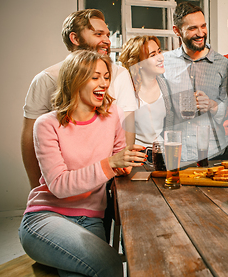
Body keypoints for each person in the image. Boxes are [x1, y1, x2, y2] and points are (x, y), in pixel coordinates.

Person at [19, 50, 147, 276]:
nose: (104, 83)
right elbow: (58, 185)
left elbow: (117, 160)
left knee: (87, 271)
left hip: (90, 219)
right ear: (75, 79)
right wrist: (111, 163)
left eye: (106, 77)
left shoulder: (113, 115)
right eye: (95, 77)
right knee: (110, 266)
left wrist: (126, 163)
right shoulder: (47, 125)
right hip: (46, 216)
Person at [22, 9, 137, 189]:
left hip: (105, 186)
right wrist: (37, 187)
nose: (107, 40)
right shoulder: (46, 79)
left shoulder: (121, 74)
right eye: (98, 34)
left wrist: (118, 179)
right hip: (62, 184)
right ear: (75, 39)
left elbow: (126, 128)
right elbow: (30, 137)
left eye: (107, 34)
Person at [162, 2, 228, 165]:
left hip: (213, 153)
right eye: (193, 28)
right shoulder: (164, 63)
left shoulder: (222, 64)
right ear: (177, 31)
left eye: (203, 26)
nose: (201, 33)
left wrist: (213, 105)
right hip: (175, 154)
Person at [119, 35, 173, 147]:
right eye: (152, 55)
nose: (160, 57)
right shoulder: (127, 89)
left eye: (159, 51)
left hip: (161, 154)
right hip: (136, 155)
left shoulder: (166, 87)